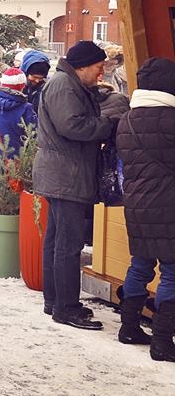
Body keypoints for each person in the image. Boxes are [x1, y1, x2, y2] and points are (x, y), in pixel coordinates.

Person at [33, 40, 115, 330]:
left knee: (57, 240)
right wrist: (108, 125)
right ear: (82, 67)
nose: (101, 73)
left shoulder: (67, 84)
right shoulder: (63, 86)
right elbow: (73, 126)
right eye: (98, 67)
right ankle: (66, 307)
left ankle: (55, 301)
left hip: (63, 172)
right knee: (68, 244)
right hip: (66, 173)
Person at [115, 57, 175, 361]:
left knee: (140, 264)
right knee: (172, 272)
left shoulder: (126, 120)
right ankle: (163, 341)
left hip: (136, 203)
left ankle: (128, 327)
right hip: (168, 205)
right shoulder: (171, 120)